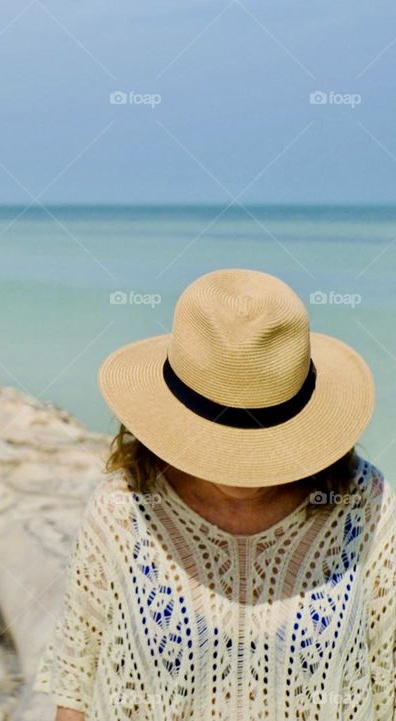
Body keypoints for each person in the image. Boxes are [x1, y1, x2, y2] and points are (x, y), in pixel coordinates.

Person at [35, 268, 394, 720]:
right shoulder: (122, 507)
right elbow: (76, 684)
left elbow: (389, 675)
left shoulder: (366, 506)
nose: (242, 473)